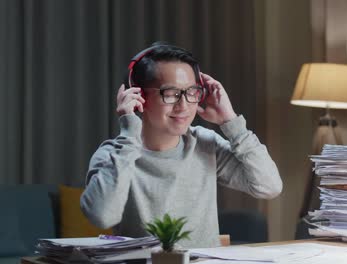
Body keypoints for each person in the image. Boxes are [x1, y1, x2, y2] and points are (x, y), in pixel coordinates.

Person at [80, 42, 282, 248]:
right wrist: (128, 134)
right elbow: (102, 217)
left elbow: (269, 186)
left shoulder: (205, 144)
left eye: (192, 92)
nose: (184, 106)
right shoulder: (114, 154)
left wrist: (231, 122)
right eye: (170, 93)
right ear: (139, 96)